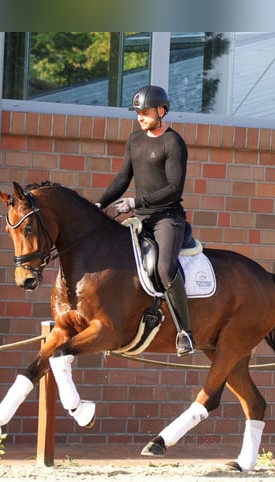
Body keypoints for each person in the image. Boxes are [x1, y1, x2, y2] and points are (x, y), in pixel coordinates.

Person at [96, 84, 196, 356]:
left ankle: (185, 331)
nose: (140, 117)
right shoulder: (135, 140)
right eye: (137, 112)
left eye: (145, 112)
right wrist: (99, 204)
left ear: (162, 111)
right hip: (140, 219)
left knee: (164, 269)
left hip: (167, 219)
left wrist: (134, 202)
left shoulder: (173, 143)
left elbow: (175, 188)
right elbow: (121, 179)